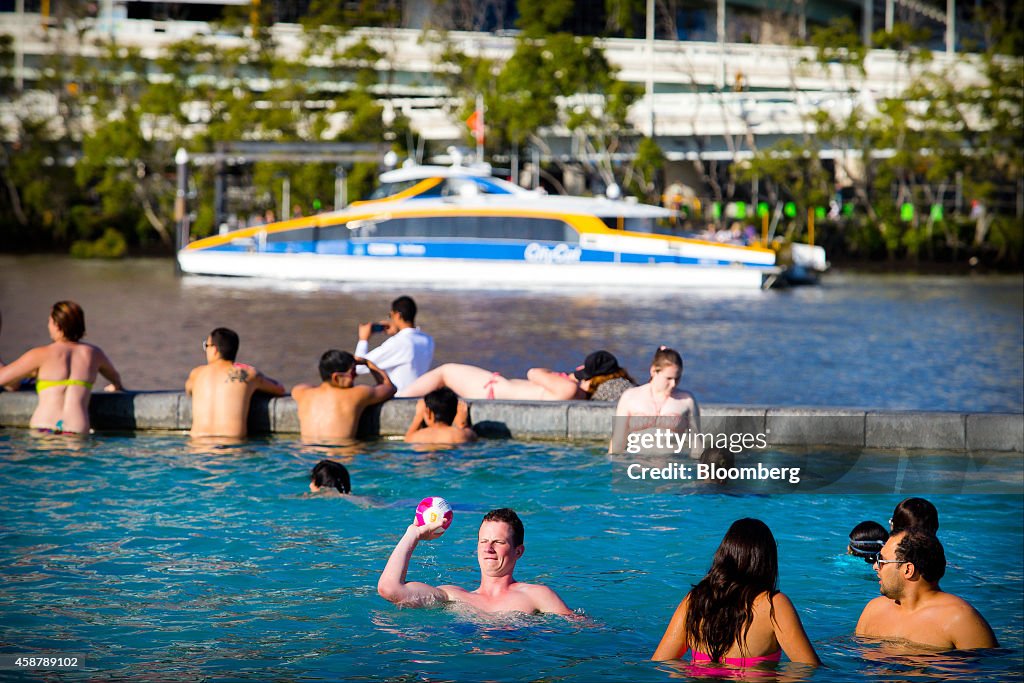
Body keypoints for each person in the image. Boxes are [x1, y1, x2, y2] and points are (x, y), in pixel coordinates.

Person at [652, 518, 820, 666]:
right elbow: (808, 668)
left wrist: (692, 670)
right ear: (766, 560)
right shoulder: (773, 604)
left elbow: (661, 662)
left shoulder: (696, 599)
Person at [378, 507, 572, 615]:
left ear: (518, 551)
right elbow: (389, 589)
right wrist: (413, 535)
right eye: (483, 541)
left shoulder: (536, 596)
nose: (488, 548)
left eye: (498, 542)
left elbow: (581, 631)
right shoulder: (452, 597)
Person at [856, 529, 998, 650]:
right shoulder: (873, 610)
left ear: (908, 570)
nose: (875, 566)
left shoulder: (960, 620)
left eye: (881, 561)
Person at [0, 301, 124, 434]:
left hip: (44, 428)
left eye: (49, 321)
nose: (48, 326)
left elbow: (2, 379)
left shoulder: (40, 354)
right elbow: (115, 378)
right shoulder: (94, 354)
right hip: (76, 430)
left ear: (57, 325)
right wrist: (115, 386)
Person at [398, 350, 631, 401]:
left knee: (446, 371)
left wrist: (563, 377)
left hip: (491, 389)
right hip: (494, 388)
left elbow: (533, 373)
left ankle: (399, 399)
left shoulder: (569, 388)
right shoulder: (576, 392)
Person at [185, 327, 285, 438]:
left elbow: (188, 390)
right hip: (232, 448)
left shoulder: (196, 374)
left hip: (198, 448)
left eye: (206, 346)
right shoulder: (248, 374)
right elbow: (279, 389)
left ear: (215, 350)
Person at [609, 347, 700, 456]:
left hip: (672, 465)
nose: (673, 384)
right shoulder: (630, 397)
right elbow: (618, 441)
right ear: (654, 371)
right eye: (669, 378)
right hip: (637, 465)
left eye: (677, 378)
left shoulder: (687, 400)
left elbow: (697, 445)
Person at [292, 349, 395, 441]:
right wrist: (368, 363)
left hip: (306, 456)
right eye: (353, 373)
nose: (355, 376)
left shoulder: (301, 392)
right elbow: (389, 387)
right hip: (343, 455)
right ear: (336, 377)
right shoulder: (358, 394)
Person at [355, 296, 434, 393]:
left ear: (397, 315)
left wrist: (363, 340)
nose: (390, 319)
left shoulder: (399, 343)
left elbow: (358, 367)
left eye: (390, 315)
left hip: (399, 401)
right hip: (418, 397)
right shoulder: (428, 340)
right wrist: (398, 333)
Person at [404, 387, 477, 444]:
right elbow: (472, 436)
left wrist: (418, 416)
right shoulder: (461, 435)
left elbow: (407, 439)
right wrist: (462, 423)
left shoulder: (415, 437)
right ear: (456, 412)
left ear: (428, 412)